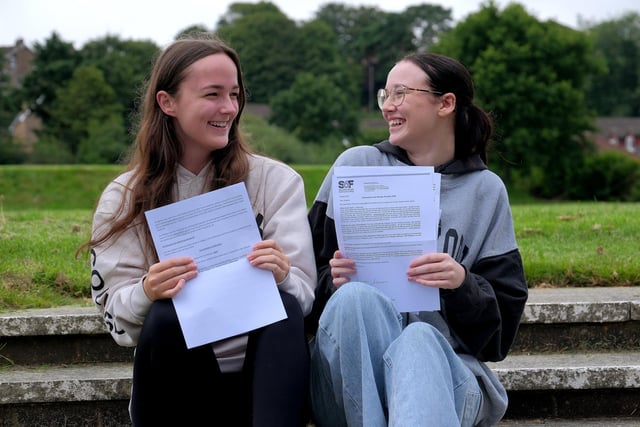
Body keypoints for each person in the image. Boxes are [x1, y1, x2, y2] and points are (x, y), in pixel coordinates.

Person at [80, 33, 316, 426]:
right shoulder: (124, 196)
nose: (228, 108)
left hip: (265, 378)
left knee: (285, 307)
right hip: (176, 379)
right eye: (212, 94)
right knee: (167, 313)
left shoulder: (276, 181)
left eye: (235, 94)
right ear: (167, 102)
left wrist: (284, 275)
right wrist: (146, 291)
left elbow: (305, 301)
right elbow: (118, 324)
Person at [306, 52, 529, 427]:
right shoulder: (355, 168)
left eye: (401, 93)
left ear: (446, 103)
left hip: (448, 379)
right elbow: (302, 284)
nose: (388, 106)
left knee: (419, 340)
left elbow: (497, 340)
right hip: (346, 385)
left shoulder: (486, 192)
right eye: (385, 95)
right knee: (355, 297)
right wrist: (333, 280)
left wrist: (461, 284)